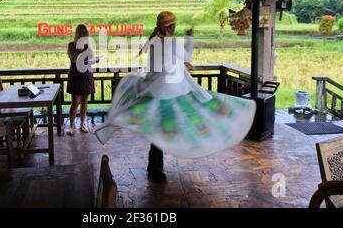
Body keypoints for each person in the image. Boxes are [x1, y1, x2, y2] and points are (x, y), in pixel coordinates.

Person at [94, 11, 256, 182]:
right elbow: (184, 56)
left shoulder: (155, 42)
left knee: (160, 129)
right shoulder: (172, 43)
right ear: (172, 26)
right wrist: (190, 39)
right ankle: (158, 166)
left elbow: (161, 64)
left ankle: (155, 167)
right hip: (171, 93)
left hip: (156, 91)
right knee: (181, 122)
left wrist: (178, 65)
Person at [66, 24, 99, 135]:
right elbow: (74, 58)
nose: (83, 34)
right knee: (75, 102)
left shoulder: (88, 46)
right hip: (75, 75)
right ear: (77, 33)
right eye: (81, 32)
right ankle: (71, 125)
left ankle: (82, 124)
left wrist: (95, 60)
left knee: (84, 101)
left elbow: (90, 59)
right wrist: (81, 50)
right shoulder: (71, 45)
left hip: (86, 74)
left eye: (85, 32)